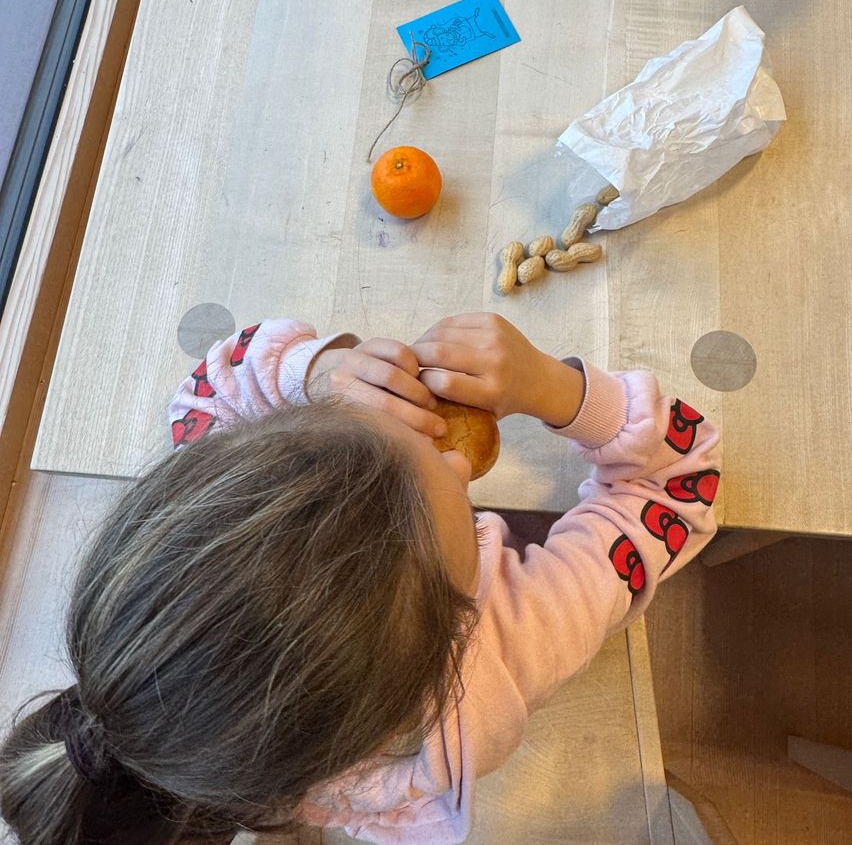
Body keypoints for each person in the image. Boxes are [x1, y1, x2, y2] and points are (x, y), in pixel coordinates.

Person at [0, 312, 720, 844]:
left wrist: (316, 371)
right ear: (458, 616)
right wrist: (558, 390)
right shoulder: (512, 643)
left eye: (338, 421)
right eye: (449, 477)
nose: (450, 453)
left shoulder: (203, 705)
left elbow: (209, 387)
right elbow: (678, 489)